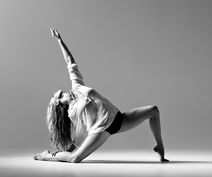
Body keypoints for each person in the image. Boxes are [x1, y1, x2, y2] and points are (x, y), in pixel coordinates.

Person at [34, 29, 169, 163]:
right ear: (59, 103)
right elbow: (78, 137)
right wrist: (69, 151)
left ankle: (159, 146)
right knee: (74, 158)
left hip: (118, 120)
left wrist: (59, 40)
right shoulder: (72, 112)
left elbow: (70, 61)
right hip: (101, 130)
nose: (61, 92)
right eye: (59, 95)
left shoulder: (77, 86)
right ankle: (46, 156)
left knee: (154, 111)